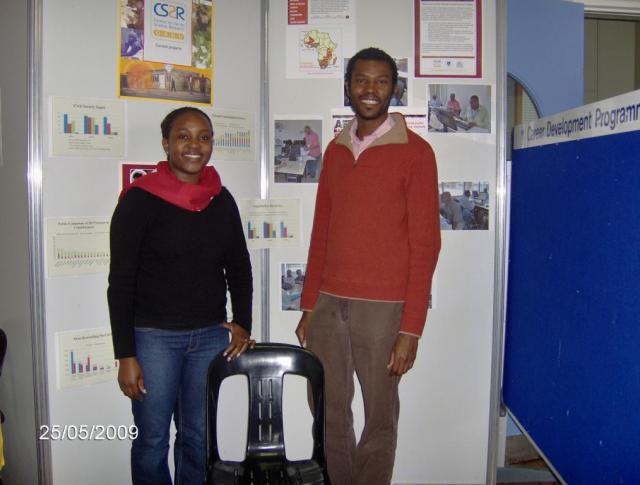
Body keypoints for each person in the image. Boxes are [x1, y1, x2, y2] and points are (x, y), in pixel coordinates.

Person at [295, 47, 441, 485]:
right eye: (361, 80)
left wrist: (410, 329)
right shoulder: (337, 151)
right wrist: (308, 305)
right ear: (348, 86)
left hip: (383, 310)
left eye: (380, 81)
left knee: (379, 416)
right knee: (328, 411)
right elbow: (322, 229)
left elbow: (426, 246)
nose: (370, 90)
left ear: (394, 88)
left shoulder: (417, 152)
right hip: (327, 305)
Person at [108, 106, 254, 485]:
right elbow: (120, 282)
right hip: (153, 339)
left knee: (199, 439)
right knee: (152, 441)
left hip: (208, 338)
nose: (194, 145)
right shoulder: (139, 201)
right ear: (166, 144)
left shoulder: (221, 199)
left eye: (203, 137)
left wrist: (242, 324)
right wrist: (125, 354)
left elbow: (239, 266)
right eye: (183, 136)